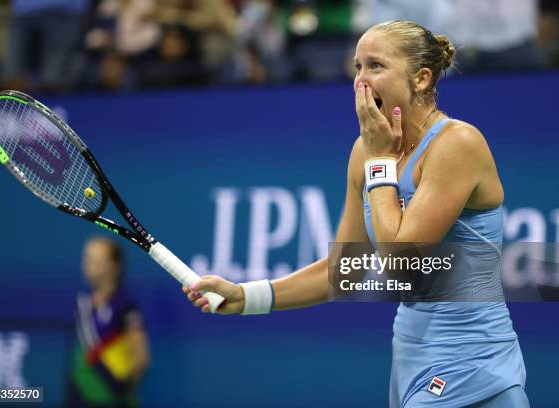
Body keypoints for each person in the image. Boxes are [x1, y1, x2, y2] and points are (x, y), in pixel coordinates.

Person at [184, 20, 530, 407]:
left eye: (376, 66)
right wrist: (247, 296)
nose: (361, 82)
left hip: (473, 365)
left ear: (421, 78)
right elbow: (346, 270)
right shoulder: (364, 151)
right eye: (357, 67)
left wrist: (380, 161)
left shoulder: (457, 144)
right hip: (411, 359)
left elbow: (401, 264)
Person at [68, 237, 150, 408]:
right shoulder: (81, 301)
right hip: (79, 398)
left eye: (94, 260)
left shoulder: (126, 306)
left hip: (113, 401)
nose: (86, 264)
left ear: (113, 266)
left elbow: (141, 358)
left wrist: (121, 389)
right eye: (86, 258)